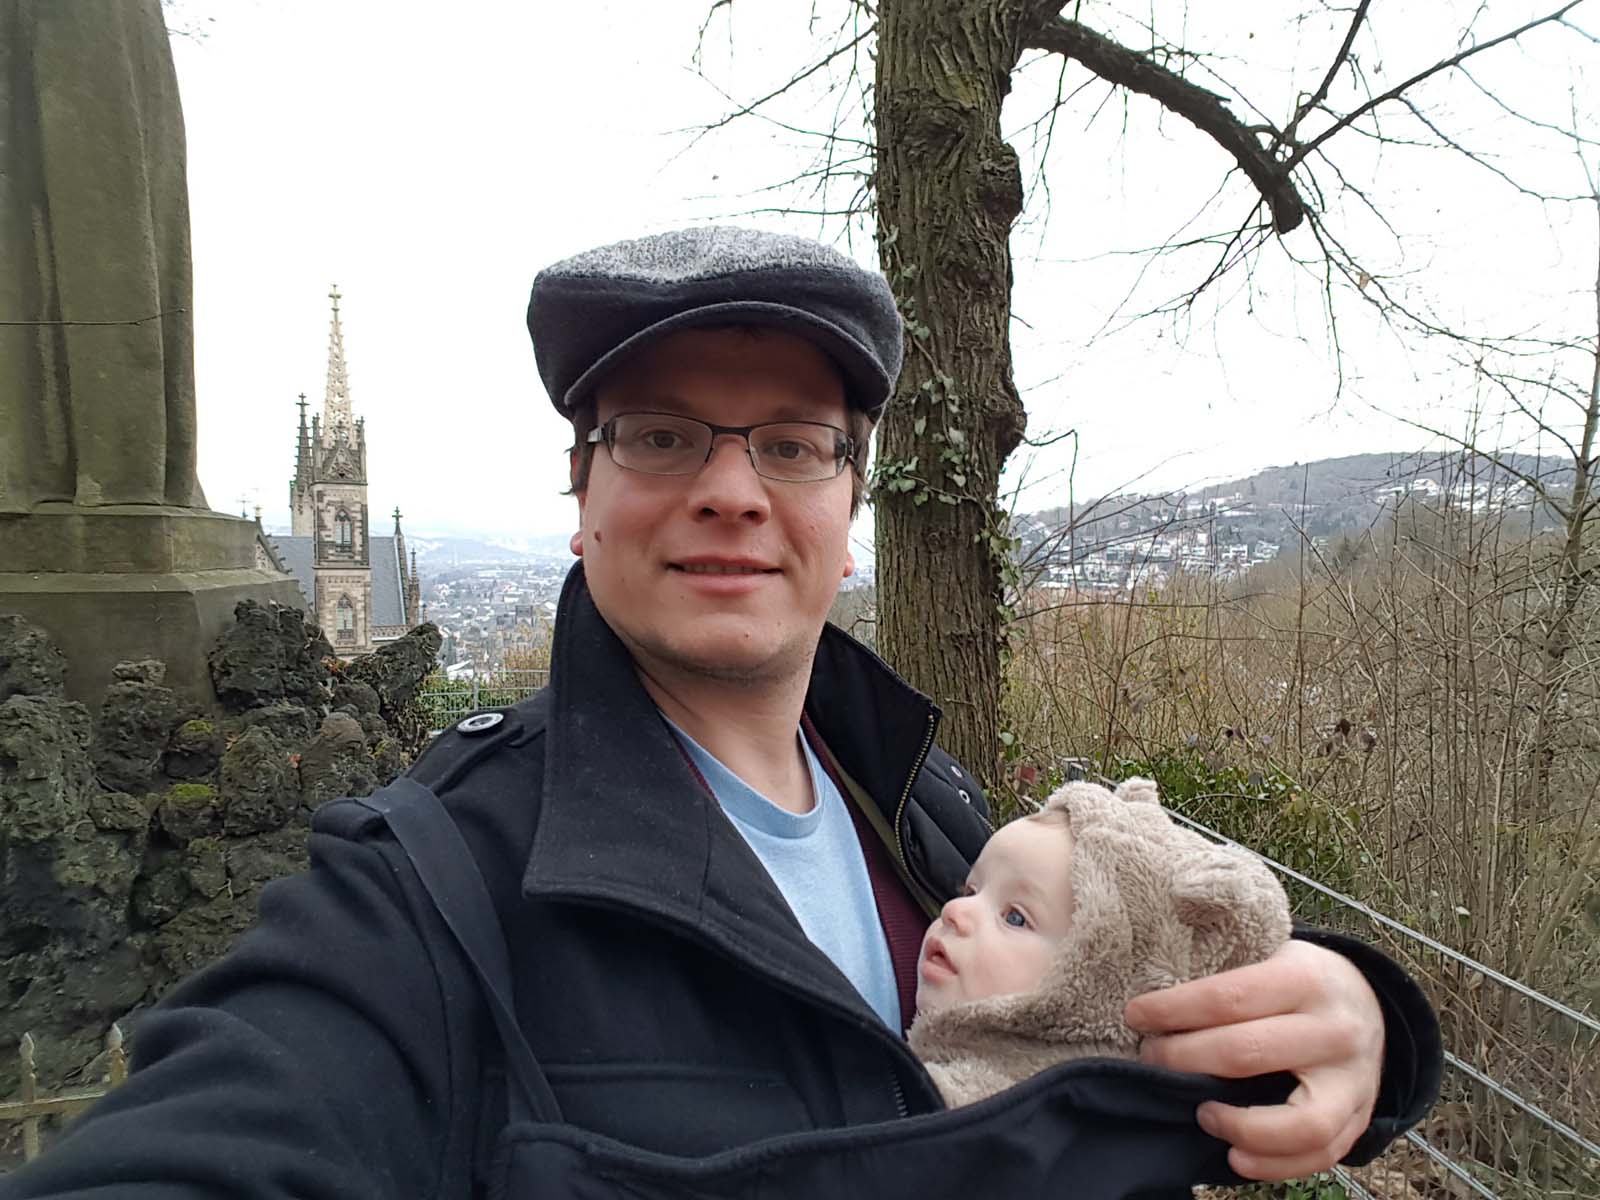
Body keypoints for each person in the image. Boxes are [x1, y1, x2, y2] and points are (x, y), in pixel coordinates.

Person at [0, 226, 1440, 1200]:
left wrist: (1366, 1023)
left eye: (794, 445)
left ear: (847, 514)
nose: (732, 491)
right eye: (661, 434)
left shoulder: (929, 808)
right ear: (583, 500)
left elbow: (1128, 1001)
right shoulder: (428, 889)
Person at [908, 776, 1292, 1108]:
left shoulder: (985, 1114)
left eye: (1015, 917)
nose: (954, 909)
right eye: (970, 890)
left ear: (1104, 983)